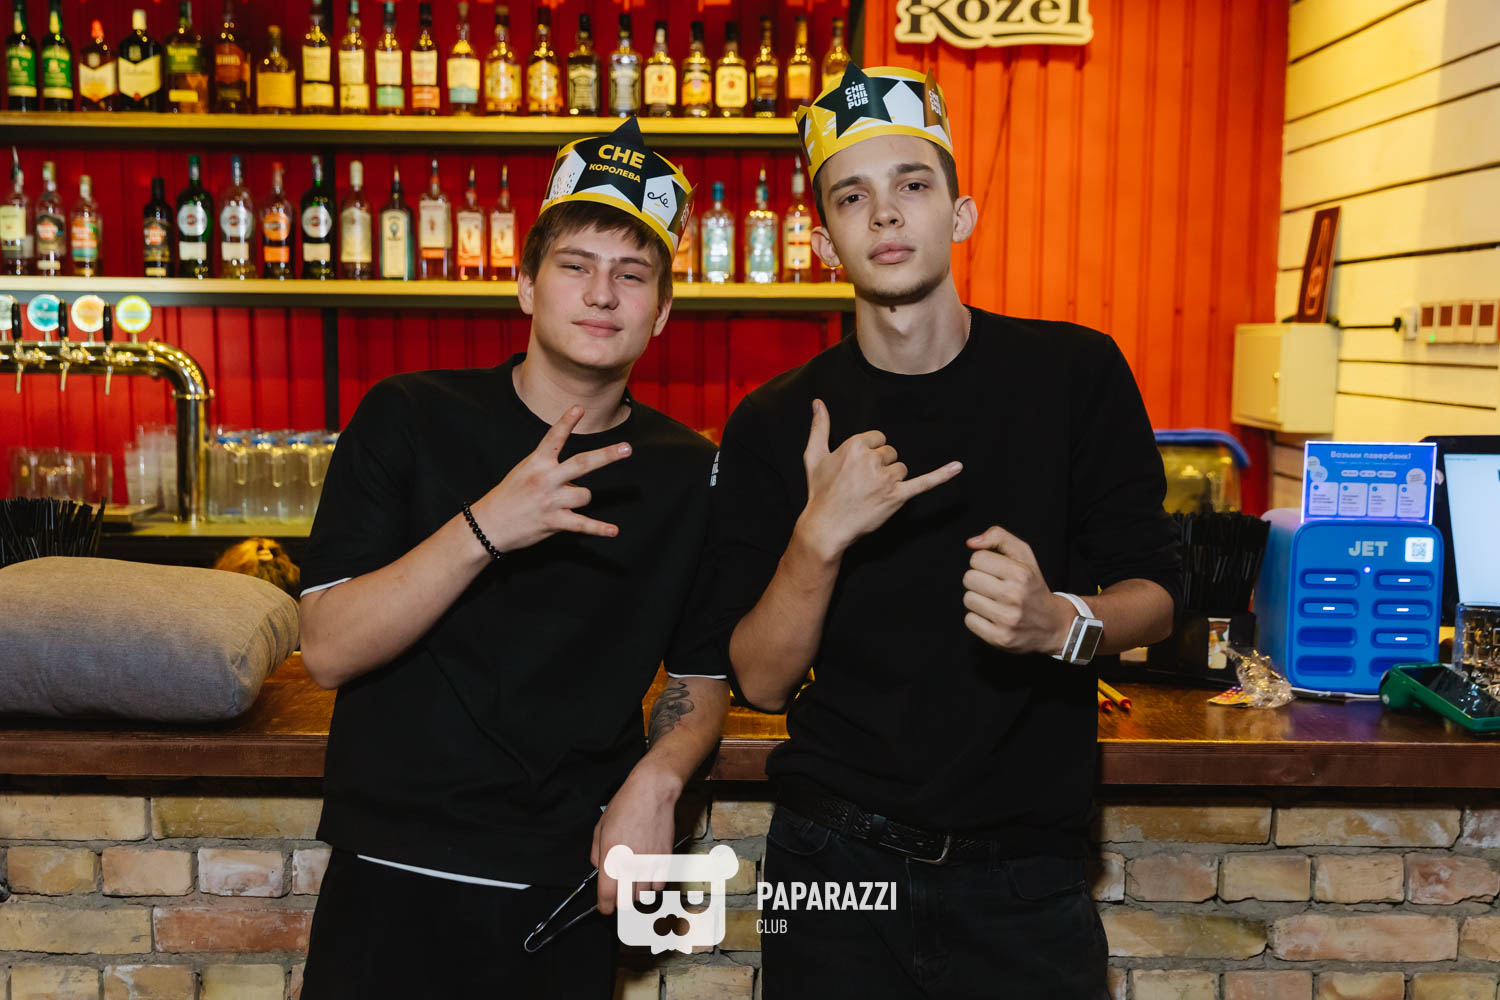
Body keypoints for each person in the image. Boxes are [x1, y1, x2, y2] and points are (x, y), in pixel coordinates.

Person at [703, 66, 1182, 998]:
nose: (885, 213)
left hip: (1026, 870)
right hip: (830, 861)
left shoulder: (1074, 374)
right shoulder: (776, 420)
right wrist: (817, 539)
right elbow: (759, 682)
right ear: (821, 239)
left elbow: (1158, 595)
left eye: (912, 185)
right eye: (853, 196)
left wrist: (1059, 624)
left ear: (960, 213)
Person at [296, 119, 728, 998]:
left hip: (562, 886)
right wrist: (488, 524)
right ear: (526, 284)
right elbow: (328, 649)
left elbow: (702, 676)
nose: (602, 293)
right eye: (576, 265)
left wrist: (658, 780)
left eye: (631, 274)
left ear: (662, 311)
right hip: (392, 872)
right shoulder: (410, 415)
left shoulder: (693, 471)